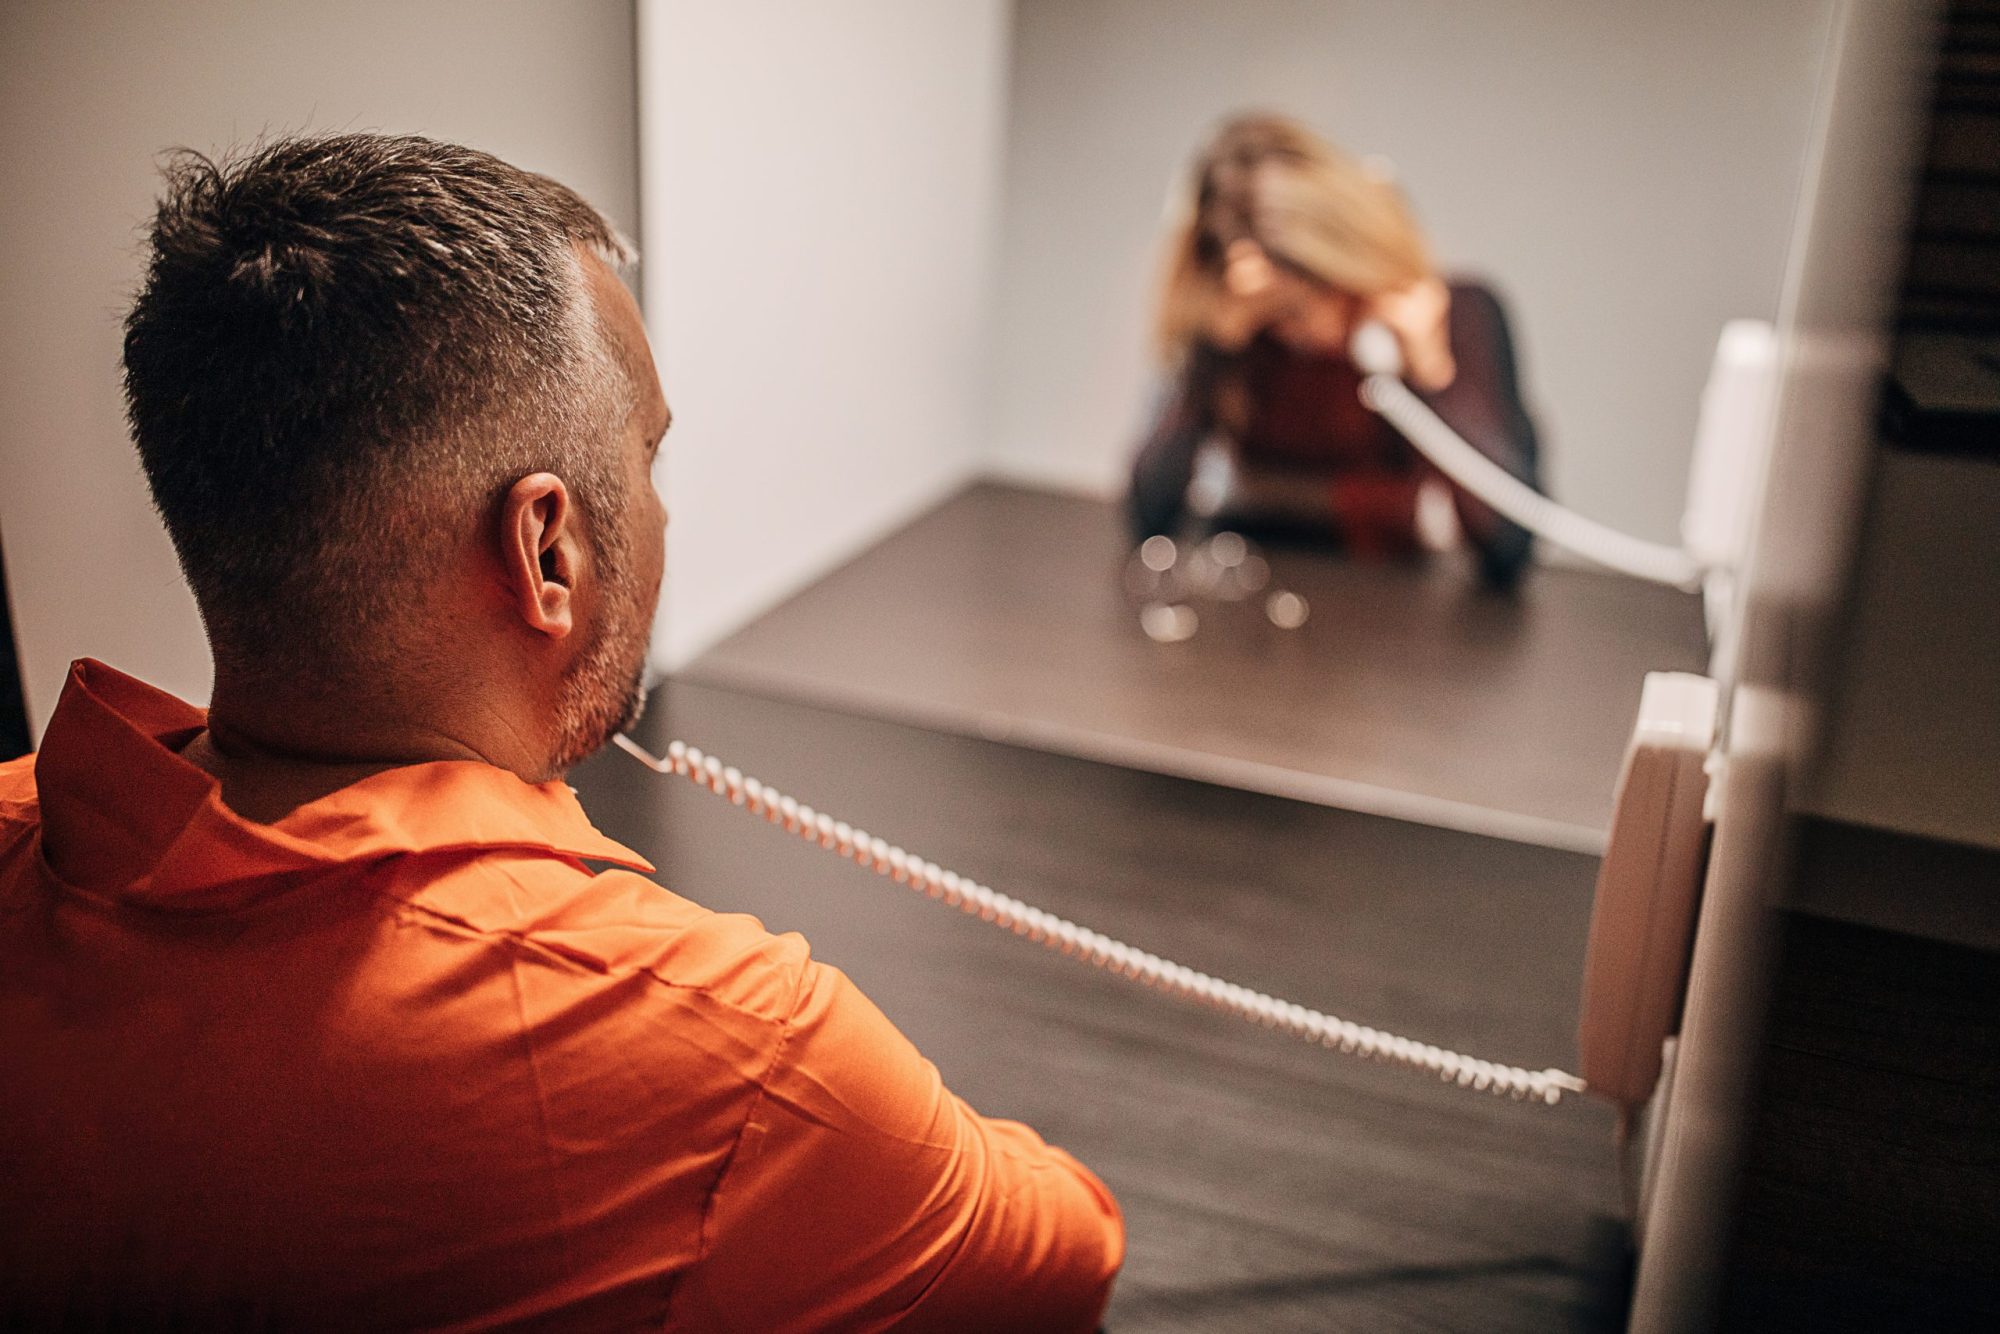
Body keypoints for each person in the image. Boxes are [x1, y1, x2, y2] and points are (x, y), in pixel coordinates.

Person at [0, 134, 1122, 1330]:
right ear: (547, 548)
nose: (662, 506)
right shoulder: (733, 1048)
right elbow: (1062, 1246)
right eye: (646, 458)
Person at [1127, 113, 1544, 590]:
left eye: (1319, 296)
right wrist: (1215, 350)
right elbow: (1148, 515)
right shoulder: (1242, 343)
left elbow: (1509, 549)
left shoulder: (1463, 313)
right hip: (1250, 593)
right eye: (1282, 315)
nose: (1312, 335)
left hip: (1395, 609)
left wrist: (1430, 371)